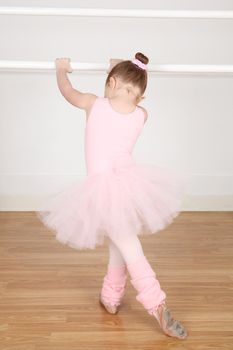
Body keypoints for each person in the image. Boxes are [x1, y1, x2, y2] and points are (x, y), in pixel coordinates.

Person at [36, 52, 188, 339]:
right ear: (140, 97)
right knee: (118, 243)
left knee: (129, 246)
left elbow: (67, 92)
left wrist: (60, 70)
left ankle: (157, 304)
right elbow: (122, 95)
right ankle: (111, 297)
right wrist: (116, 73)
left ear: (111, 82)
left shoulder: (94, 104)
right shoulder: (142, 114)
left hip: (102, 190)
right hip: (130, 189)